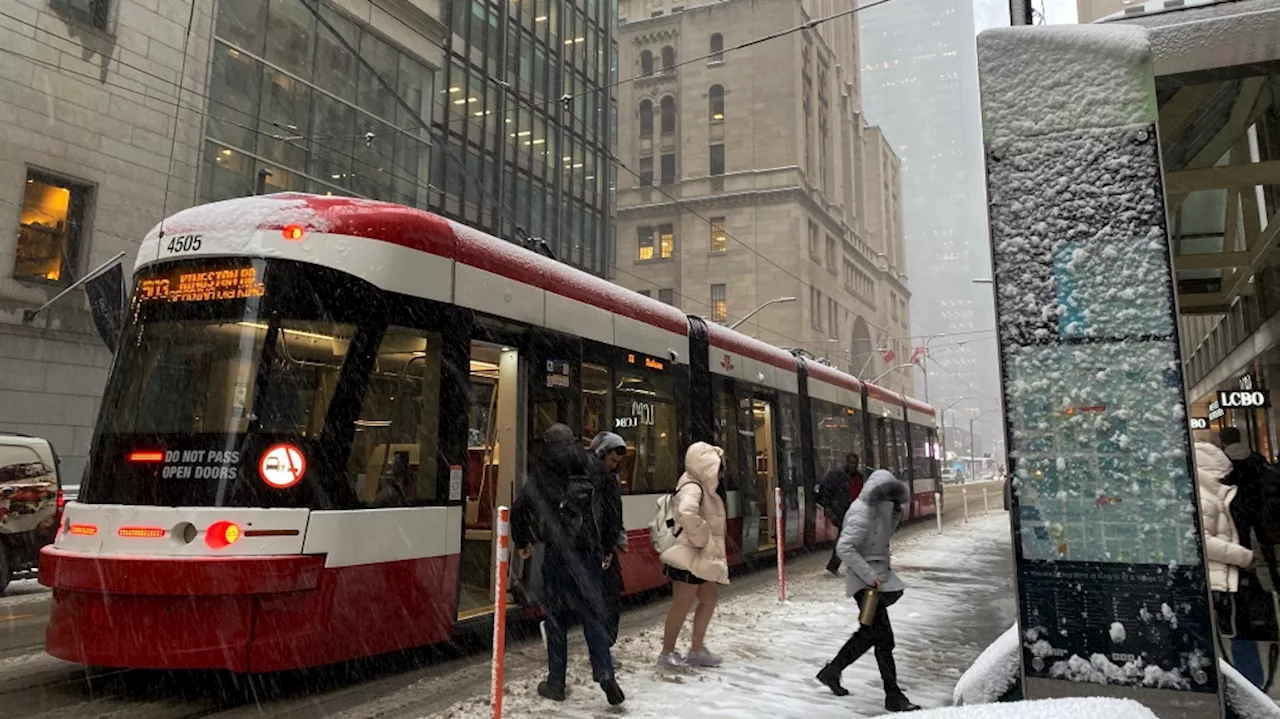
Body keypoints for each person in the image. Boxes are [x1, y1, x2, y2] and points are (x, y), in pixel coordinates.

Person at [512, 424, 625, 706]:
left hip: (556, 554)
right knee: (592, 615)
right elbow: (613, 509)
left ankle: (556, 683)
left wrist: (523, 542)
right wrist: (608, 545)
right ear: (574, 441)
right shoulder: (595, 467)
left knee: (556, 618)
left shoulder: (543, 471)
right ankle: (605, 672)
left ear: (548, 444)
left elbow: (519, 510)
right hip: (588, 553)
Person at [816, 469, 921, 713]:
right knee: (884, 638)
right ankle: (892, 695)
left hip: (876, 579)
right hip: (865, 584)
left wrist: (896, 515)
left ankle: (832, 671)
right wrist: (870, 576)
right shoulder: (861, 513)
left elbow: (883, 537)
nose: (892, 503)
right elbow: (845, 547)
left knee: (869, 635)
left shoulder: (881, 512)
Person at [657, 441, 730, 669]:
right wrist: (701, 537)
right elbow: (687, 512)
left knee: (708, 599)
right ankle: (667, 653)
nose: (720, 472)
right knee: (683, 602)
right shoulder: (694, 487)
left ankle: (697, 649)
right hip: (688, 554)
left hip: (699, 556)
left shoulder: (697, 484)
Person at [1218, 427, 1280, 690]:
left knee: (1243, 622)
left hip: (1242, 560)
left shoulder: (1224, 477)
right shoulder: (1265, 468)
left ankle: (1252, 686)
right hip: (1270, 555)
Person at [1196, 441, 1257, 678]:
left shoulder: (1212, 495)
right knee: (1231, 636)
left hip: (1224, 580)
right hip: (1219, 581)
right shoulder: (1206, 499)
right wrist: (1244, 557)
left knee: (1234, 634)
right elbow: (1205, 542)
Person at [589, 431, 629, 650]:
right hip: (601, 547)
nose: (614, 465)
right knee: (609, 599)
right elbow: (613, 515)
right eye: (612, 460)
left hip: (598, 545)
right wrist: (609, 545)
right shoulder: (604, 479)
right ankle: (603, 649)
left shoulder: (592, 474)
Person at [818, 453, 862, 575]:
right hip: (842, 512)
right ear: (846, 462)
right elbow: (825, 492)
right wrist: (829, 509)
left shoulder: (859, 477)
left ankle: (836, 565)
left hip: (855, 513)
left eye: (855, 463)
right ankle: (836, 565)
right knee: (847, 539)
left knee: (848, 539)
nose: (853, 466)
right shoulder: (836, 476)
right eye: (851, 463)